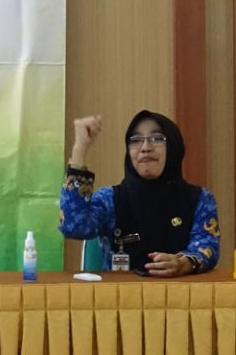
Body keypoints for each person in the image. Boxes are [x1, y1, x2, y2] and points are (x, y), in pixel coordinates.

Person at [59, 110, 220, 277]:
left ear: (174, 147)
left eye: (157, 138)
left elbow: (207, 248)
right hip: (121, 292)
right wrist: (80, 149)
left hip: (181, 292)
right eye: (136, 140)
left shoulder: (199, 199)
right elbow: (74, 227)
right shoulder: (111, 199)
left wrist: (183, 263)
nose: (145, 148)